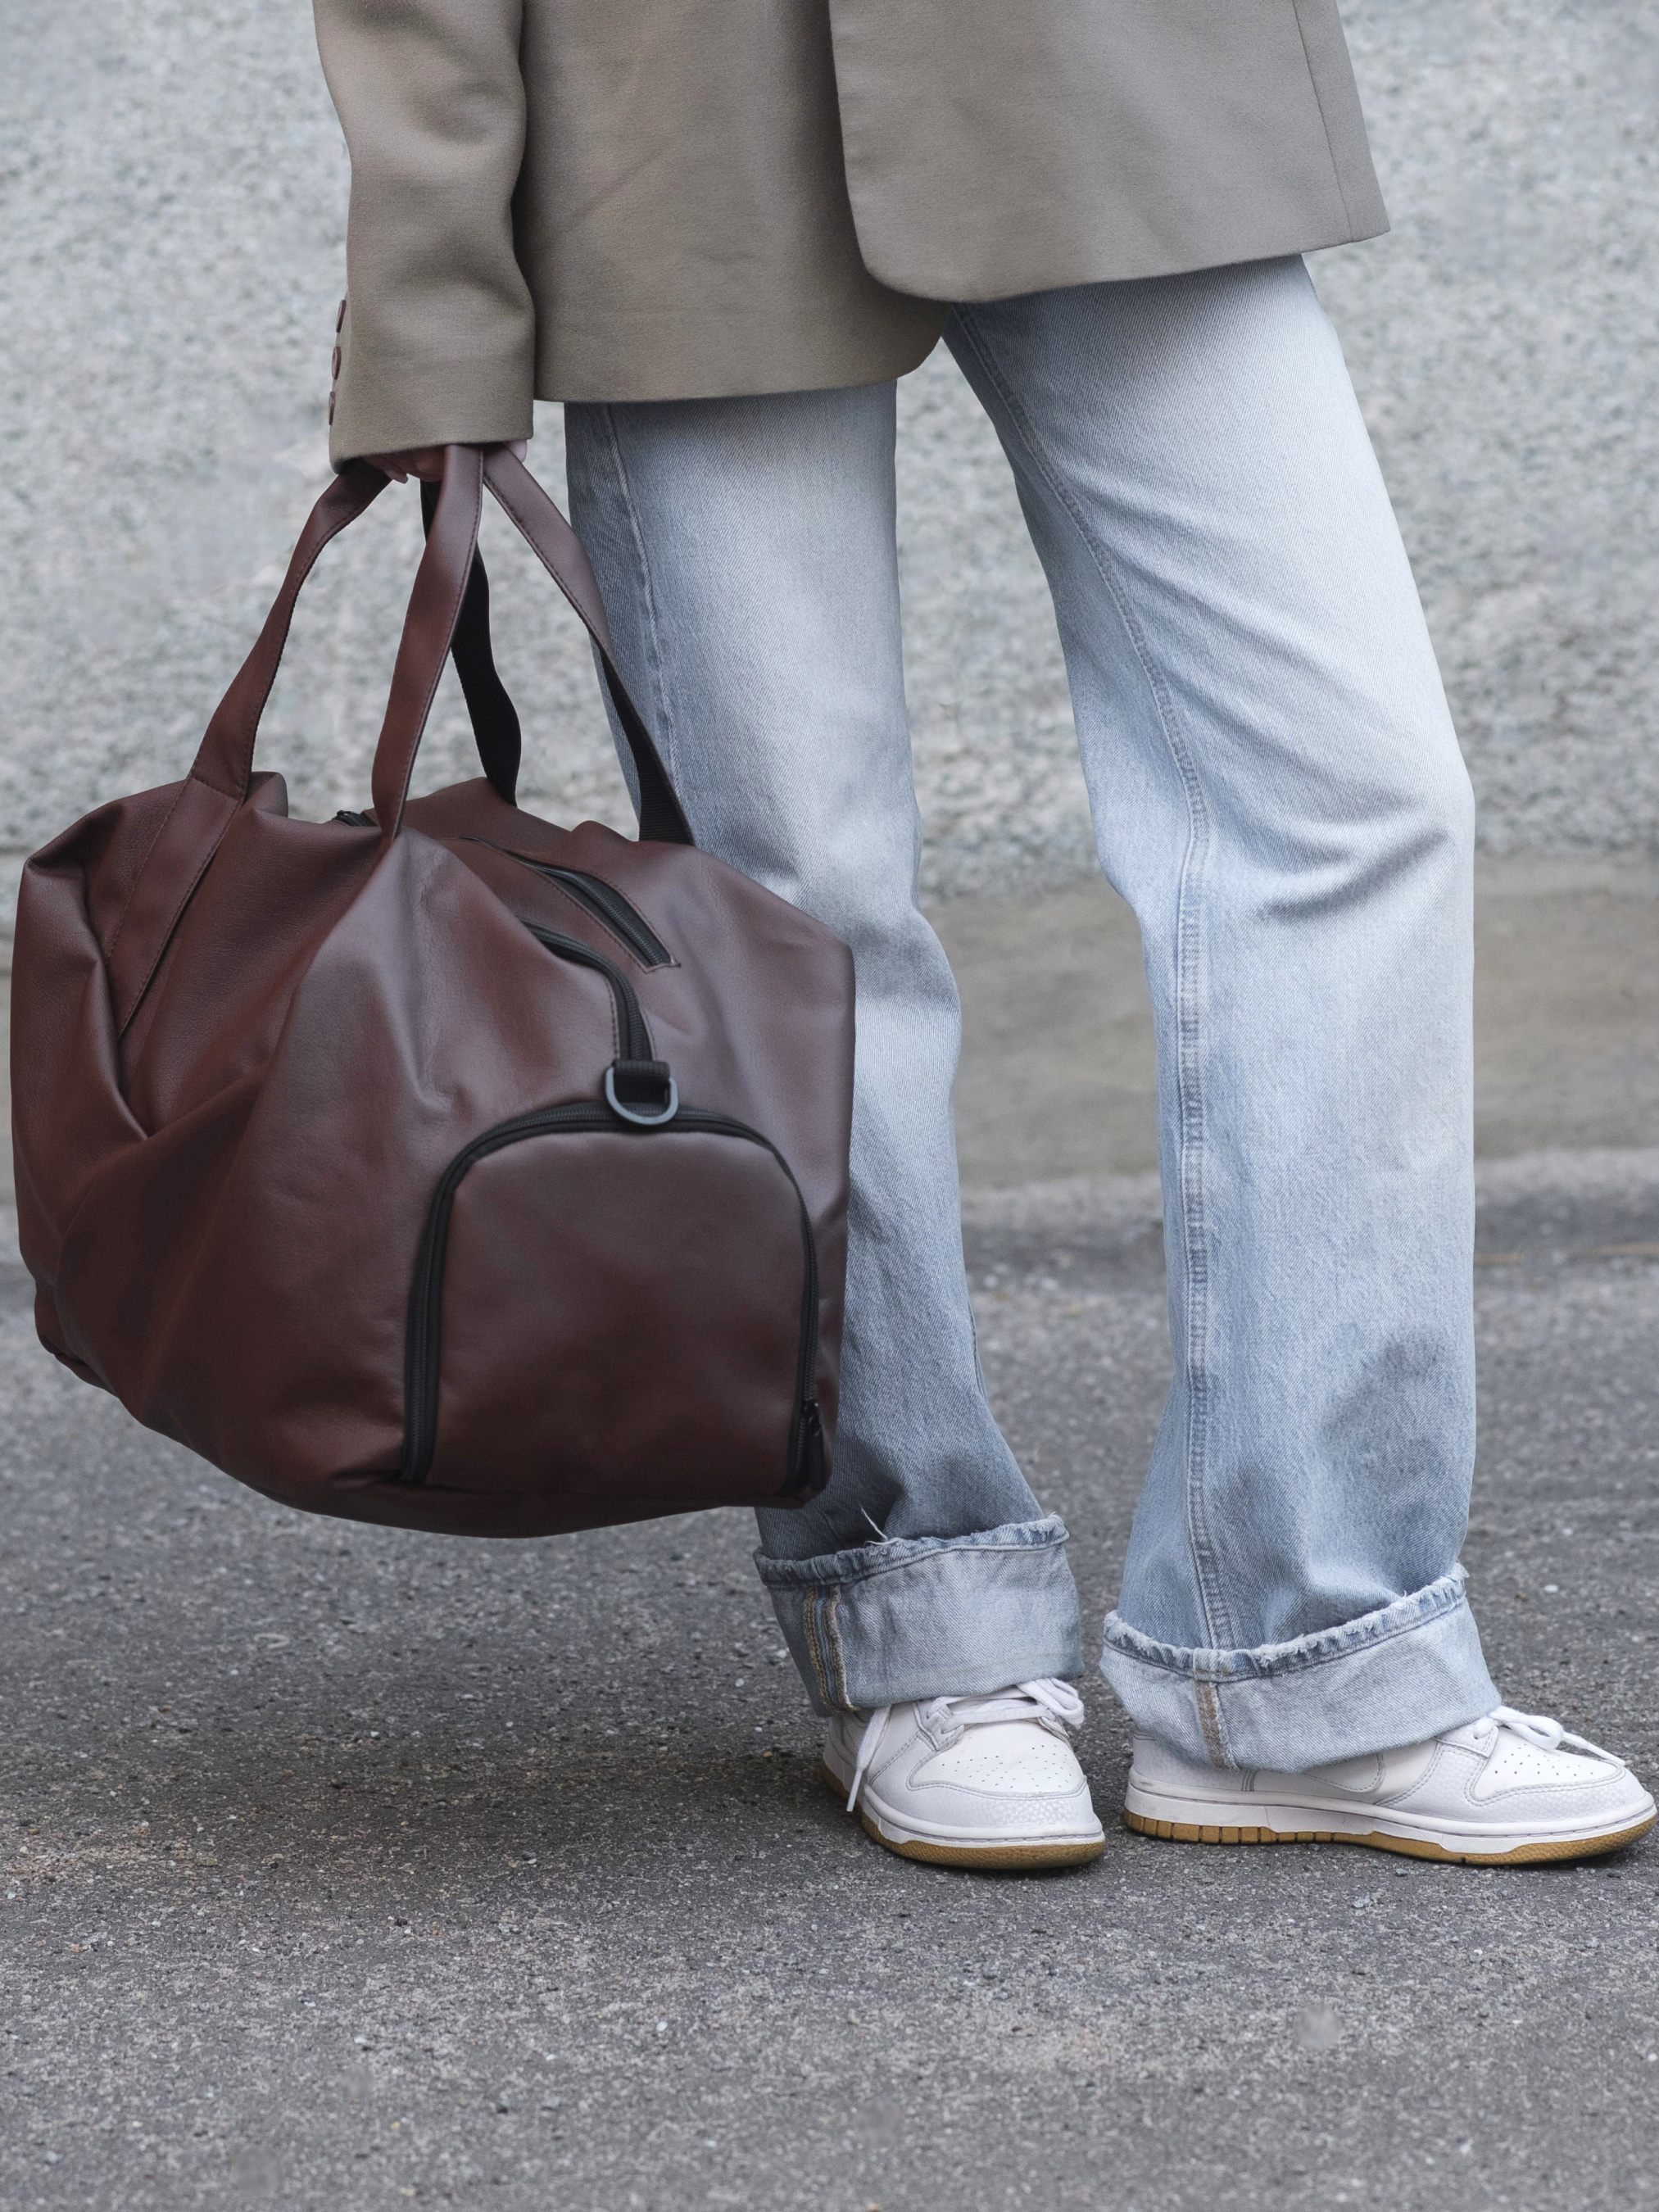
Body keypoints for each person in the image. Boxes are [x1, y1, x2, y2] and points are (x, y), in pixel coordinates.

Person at [310, 0, 1654, 1870]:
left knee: (1350, 802)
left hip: (1116, 65)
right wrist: (434, 277)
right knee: (796, 904)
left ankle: (1311, 1657)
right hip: (676, 104)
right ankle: (914, 1619)